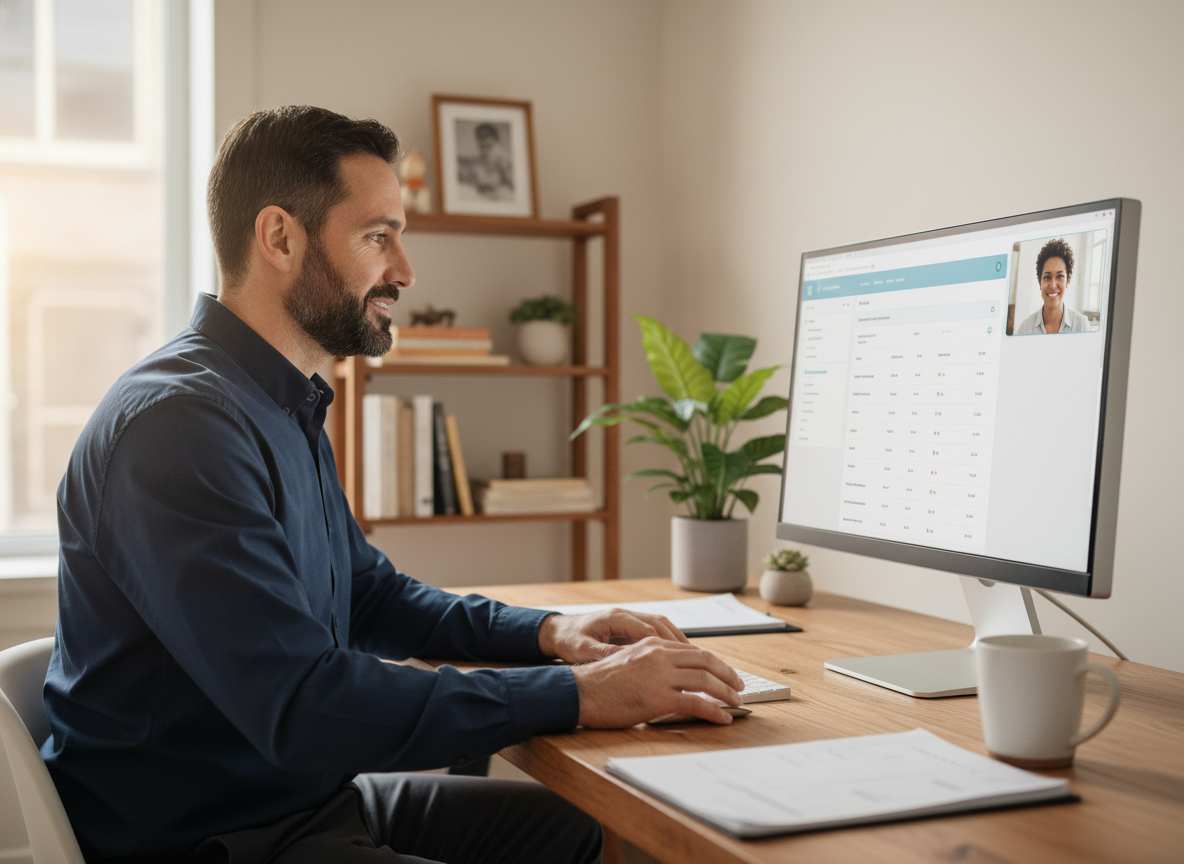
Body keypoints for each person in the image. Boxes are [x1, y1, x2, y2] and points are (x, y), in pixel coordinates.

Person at [42, 106, 744, 864]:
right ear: (280, 237)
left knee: (584, 834)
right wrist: (579, 694)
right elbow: (302, 704)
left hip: (306, 800)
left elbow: (371, 595)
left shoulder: (283, 401)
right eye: (378, 236)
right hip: (209, 838)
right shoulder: (178, 427)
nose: (405, 271)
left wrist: (550, 634)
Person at [1014, 238, 1091, 334]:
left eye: (1059, 276)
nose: (1053, 285)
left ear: (1068, 281)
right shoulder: (1025, 328)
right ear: (1039, 282)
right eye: (1047, 277)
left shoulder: (1081, 325)